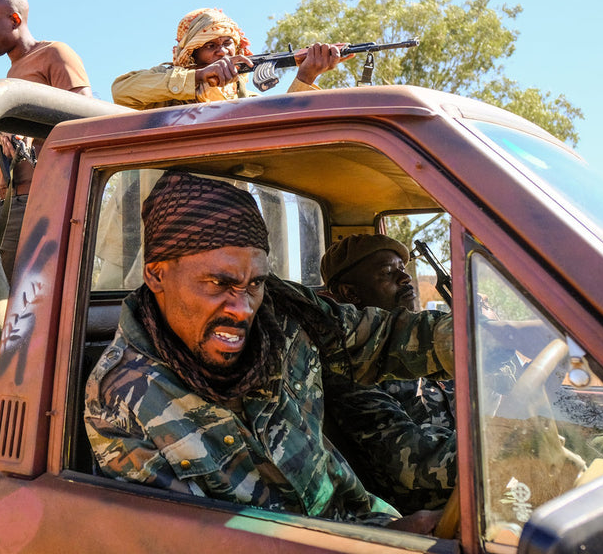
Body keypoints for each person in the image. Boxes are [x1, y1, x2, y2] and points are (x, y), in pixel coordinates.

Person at [84, 171, 453, 533]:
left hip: (372, 526)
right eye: (219, 283)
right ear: (156, 274)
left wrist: (477, 339)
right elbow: (196, 541)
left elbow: (386, 338)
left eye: (255, 283)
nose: (243, 309)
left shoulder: (285, 311)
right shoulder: (123, 402)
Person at [319, 234, 457, 514]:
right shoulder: (349, 371)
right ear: (350, 294)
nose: (405, 278)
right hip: (434, 515)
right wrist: (502, 450)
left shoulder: (427, 347)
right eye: (387, 272)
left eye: (403, 269)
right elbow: (412, 461)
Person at [0, 0, 92, 278]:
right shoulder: (13, 73)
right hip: (8, 202)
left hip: (39, 199)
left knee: (8, 295)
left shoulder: (55, 54)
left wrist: (25, 129)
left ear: (15, 20)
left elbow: (86, 117)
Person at [111, 7, 346, 110]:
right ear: (192, 54)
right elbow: (121, 91)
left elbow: (282, 131)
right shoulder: (165, 89)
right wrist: (199, 76)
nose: (222, 52)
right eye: (210, 46)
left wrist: (306, 76)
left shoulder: (245, 99)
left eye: (227, 44)